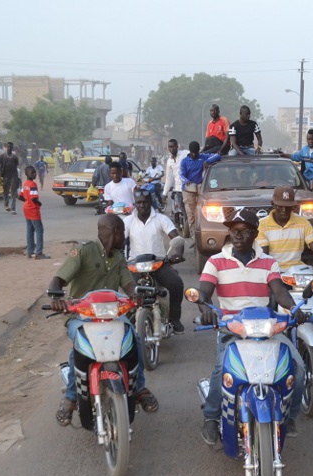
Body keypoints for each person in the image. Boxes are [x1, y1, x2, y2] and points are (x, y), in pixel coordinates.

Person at [198, 209, 307, 444]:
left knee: (297, 369)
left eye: (244, 231)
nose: (237, 236)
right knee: (223, 372)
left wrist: (294, 310)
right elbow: (204, 292)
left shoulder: (269, 263)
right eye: (233, 231)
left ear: (255, 233)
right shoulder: (215, 262)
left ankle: (289, 416)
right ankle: (211, 416)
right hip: (232, 329)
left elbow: (279, 292)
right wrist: (205, 308)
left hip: (267, 328)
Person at [49, 215, 158, 426]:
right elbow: (58, 279)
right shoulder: (83, 251)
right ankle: (71, 397)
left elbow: (128, 284)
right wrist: (56, 297)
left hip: (113, 315)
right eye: (123, 232)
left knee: (134, 339)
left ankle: (139, 388)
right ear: (115, 231)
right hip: (81, 316)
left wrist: (136, 294)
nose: (124, 238)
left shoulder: (118, 257)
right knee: (79, 347)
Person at [122, 191, 185, 333]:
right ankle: (130, 316)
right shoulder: (128, 221)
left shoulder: (161, 219)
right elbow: (119, 240)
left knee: (176, 284)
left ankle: (175, 319)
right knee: (128, 287)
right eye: (139, 202)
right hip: (135, 265)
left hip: (159, 263)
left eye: (145, 202)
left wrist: (177, 254)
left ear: (150, 202)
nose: (142, 205)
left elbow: (176, 238)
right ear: (135, 204)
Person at [180, 142, 221, 237]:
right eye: (192, 153)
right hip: (188, 189)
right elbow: (181, 174)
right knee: (191, 215)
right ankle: (194, 237)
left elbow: (217, 156)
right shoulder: (184, 161)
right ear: (190, 152)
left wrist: (207, 162)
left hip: (200, 188)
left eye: (196, 152)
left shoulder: (203, 157)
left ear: (199, 151)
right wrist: (186, 180)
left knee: (204, 212)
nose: (194, 155)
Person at [17, 166, 48, 260]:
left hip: (26, 208)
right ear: (27, 174)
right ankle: (39, 253)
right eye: (32, 173)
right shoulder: (33, 184)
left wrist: (27, 201)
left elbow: (20, 197)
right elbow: (34, 198)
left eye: (35, 172)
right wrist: (39, 203)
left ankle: (30, 252)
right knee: (39, 230)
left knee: (30, 230)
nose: (34, 174)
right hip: (33, 210)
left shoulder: (25, 183)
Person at [0, 142, 20, 214]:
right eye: (8, 147)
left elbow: (16, 167)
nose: (10, 148)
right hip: (5, 176)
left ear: (12, 148)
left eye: (11, 147)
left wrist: (17, 178)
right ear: (6, 147)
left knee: (14, 193)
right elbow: (0, 167)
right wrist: (0, 177)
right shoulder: (2, 156)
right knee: (6, 191)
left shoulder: (15, 157)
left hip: (13, 176)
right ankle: (6, 204)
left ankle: (13, 208)